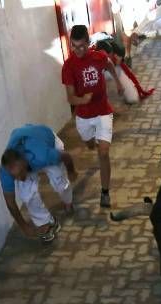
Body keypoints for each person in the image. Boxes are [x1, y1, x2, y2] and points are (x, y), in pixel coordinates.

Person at [61, 25, 123, 209]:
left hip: (103, 111)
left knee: (103, 152)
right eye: (74, 46)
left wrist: (118, 82)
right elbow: (70, 98)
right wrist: (83, 99)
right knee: (90, 144)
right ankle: (91, 142)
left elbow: (110, 64)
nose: (78, 50)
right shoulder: (68, 66)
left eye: (82, 46)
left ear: (89, 43)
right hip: (84, 117)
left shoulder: (99, 56)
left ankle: (105, 193)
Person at [0, 125, 77, 244]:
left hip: (47, 140)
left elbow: (66, 156)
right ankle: (46, 222)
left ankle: (68, 201)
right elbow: (10, 202)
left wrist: (71, 171)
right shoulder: (6, 171)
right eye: (15, 177)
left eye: (20, 173)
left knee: (59, 181)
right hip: (26, 140)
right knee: (27, 194)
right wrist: (24, 226)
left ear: (25, 161)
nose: (19, 178)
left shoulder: (42, 155)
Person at [93, 34, 155, 104]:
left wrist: (140, 89)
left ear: (113, 52)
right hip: (101, 75)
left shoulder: (118, 51)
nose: (109, 58)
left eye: (110, 55)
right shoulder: (92, 57)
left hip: (115, 71)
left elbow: (129, 73)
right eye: (106, 57)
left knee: (133, 99)